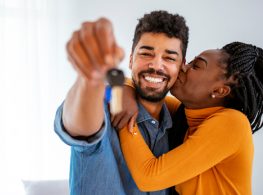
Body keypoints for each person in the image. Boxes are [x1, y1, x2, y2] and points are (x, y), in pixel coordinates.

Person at [54, 10, 189, 194]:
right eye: (146, 53)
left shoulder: (181, 127)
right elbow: (78, 127)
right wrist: (90, 78)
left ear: (181, 67)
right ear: (131, 59)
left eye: (169, 58)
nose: (157, 65)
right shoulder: (108, 103)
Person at [118, 42, 263, 195]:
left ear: (220, 91)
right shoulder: (187, 114)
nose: (182, 66)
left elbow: (148, 178)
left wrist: (123, 116)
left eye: (196, 66)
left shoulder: (233, 123)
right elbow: (139, 94)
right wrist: (126, 90)